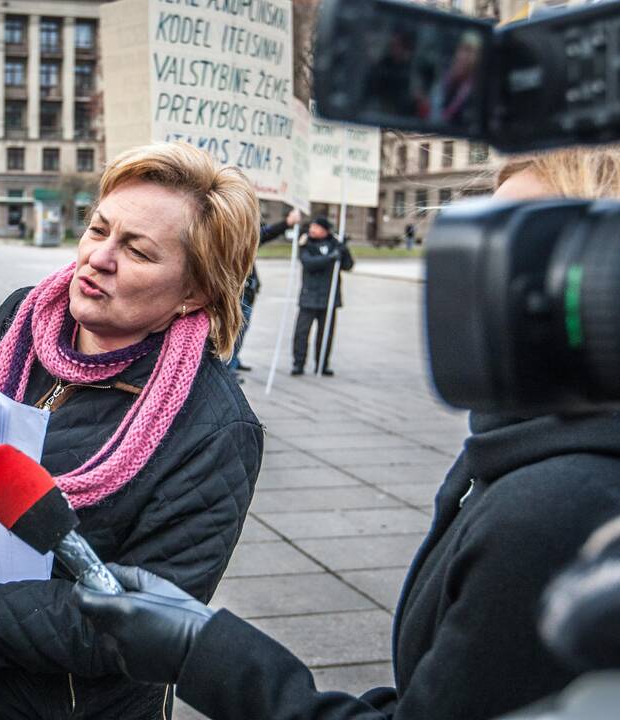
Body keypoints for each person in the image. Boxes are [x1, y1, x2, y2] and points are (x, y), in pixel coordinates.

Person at [75, 146, 620, 720]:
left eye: (518, 246)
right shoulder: (522, 452)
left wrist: (205, 653)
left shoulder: (560, 509)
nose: (474, 267)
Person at [0, 142, 265, 719]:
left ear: (196, 290)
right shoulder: (19, 319)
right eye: (98, 229)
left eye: (137, 251)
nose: (98, 258)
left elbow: (142, 623)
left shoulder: (215, 428)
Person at [228, 207, 302, 376]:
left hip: (248, 290)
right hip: (237, 293)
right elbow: (266, 234)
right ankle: (228, 368)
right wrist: (287, 223)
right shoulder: (234, 238)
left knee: (241, 330)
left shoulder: (246, 238)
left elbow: (265, 233)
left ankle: (234, 361)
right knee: (235, 332)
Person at [291, 216, 354, 376]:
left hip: (329, 298)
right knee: (301, 332)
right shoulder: (306, 244)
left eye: (316, 227)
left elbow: (348, 265)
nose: (312, 229)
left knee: (325, 334)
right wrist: (330, 257)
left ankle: (322, 364)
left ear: (325, 231)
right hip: (309, 297)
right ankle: (299, 363)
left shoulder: (335, 245)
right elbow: (309, 263)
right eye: (312, 226)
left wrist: (344, 249)